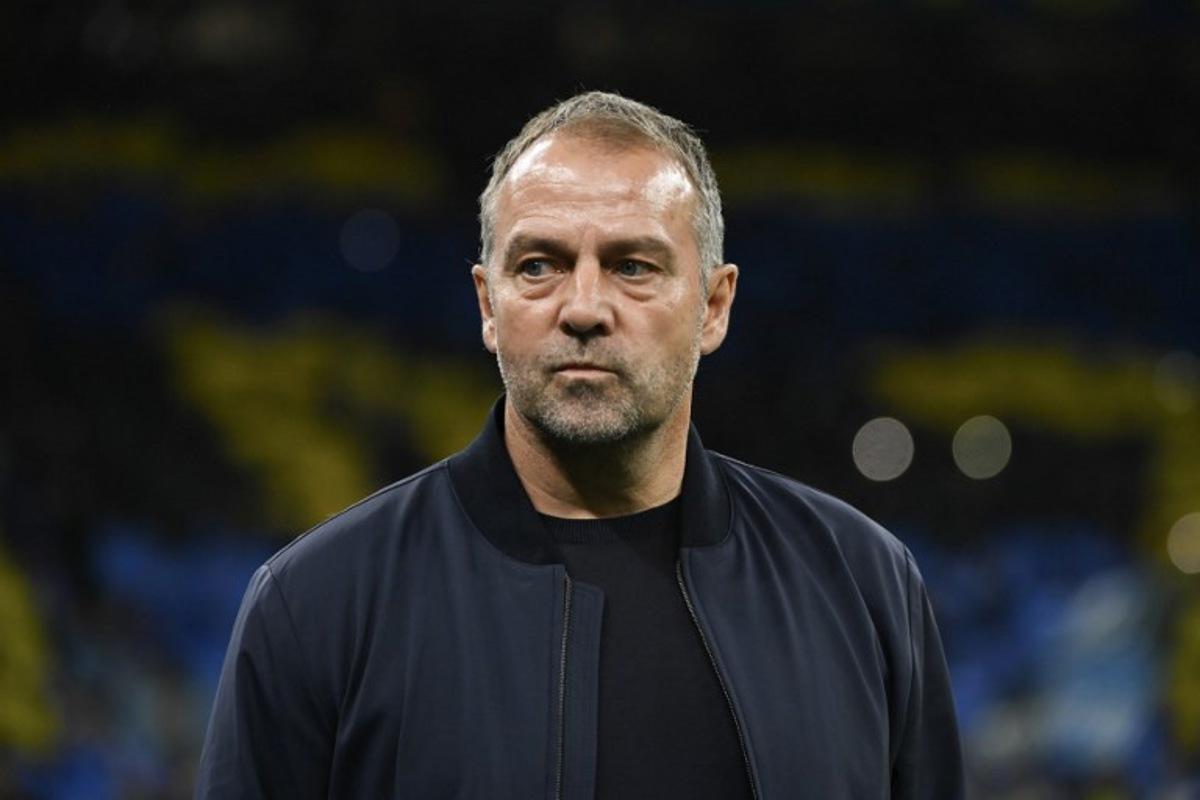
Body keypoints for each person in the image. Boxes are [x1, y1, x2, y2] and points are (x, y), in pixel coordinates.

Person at [196, 91, 964, 799]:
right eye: (540, 266)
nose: (585, 307)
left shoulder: (864, 585)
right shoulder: (317, 606)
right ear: (488, 304)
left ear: (714, 306)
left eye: (633, 266)